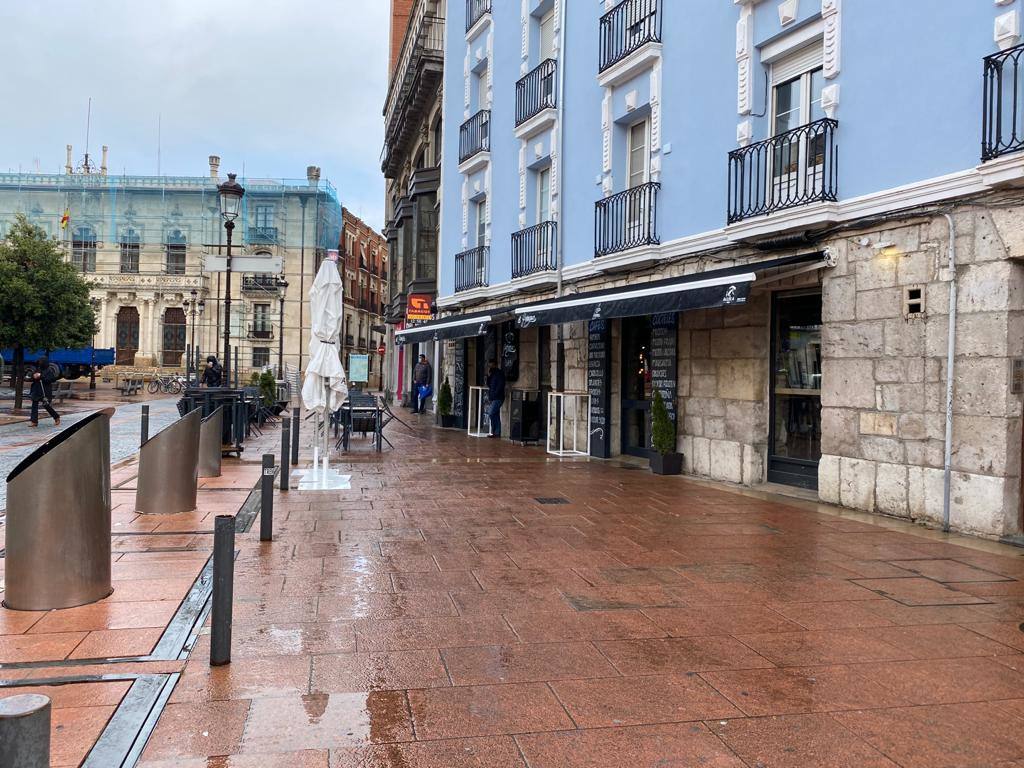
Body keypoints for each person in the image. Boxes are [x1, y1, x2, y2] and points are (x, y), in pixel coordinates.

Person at [28, 355, 60, 427]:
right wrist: (34, 376)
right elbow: (33, 377)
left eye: (41, 362)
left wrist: (41, 376)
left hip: (44, 391)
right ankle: (34, 421)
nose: (40, 363)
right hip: (36, 390)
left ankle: (56, 417)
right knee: (34, 405)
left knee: (46, 405)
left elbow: (50, 379)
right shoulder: (38, 369)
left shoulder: (49, 370)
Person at [485, 358, 506, 439]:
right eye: (489, 365)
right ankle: (496, 433)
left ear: (495, 365)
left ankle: (496, 432)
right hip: (493, 397)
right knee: (495, 414)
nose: (490, 367)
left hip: (498, 397)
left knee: (491, 413)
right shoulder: (492, 374)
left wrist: (495, 393)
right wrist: (488, 376)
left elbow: (501, 385)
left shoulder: (500, 373)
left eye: (492, 365)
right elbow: (489, 384)